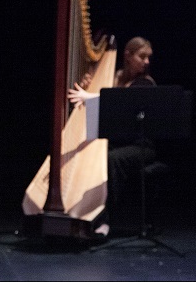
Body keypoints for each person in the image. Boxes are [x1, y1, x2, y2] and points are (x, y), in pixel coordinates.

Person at [67, 36, 156, 239]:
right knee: (87, 155)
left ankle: (104, 220)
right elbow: (99, 107)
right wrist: (87, 86)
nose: (146, 62)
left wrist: (90, 97)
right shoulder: (113, 77)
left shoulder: (145, 83)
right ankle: (76, 212)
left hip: (141, 146)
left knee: (111, 160)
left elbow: (118, 103)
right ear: (128, 56)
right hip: (116, 143)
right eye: (142, 57)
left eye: (148, 58)